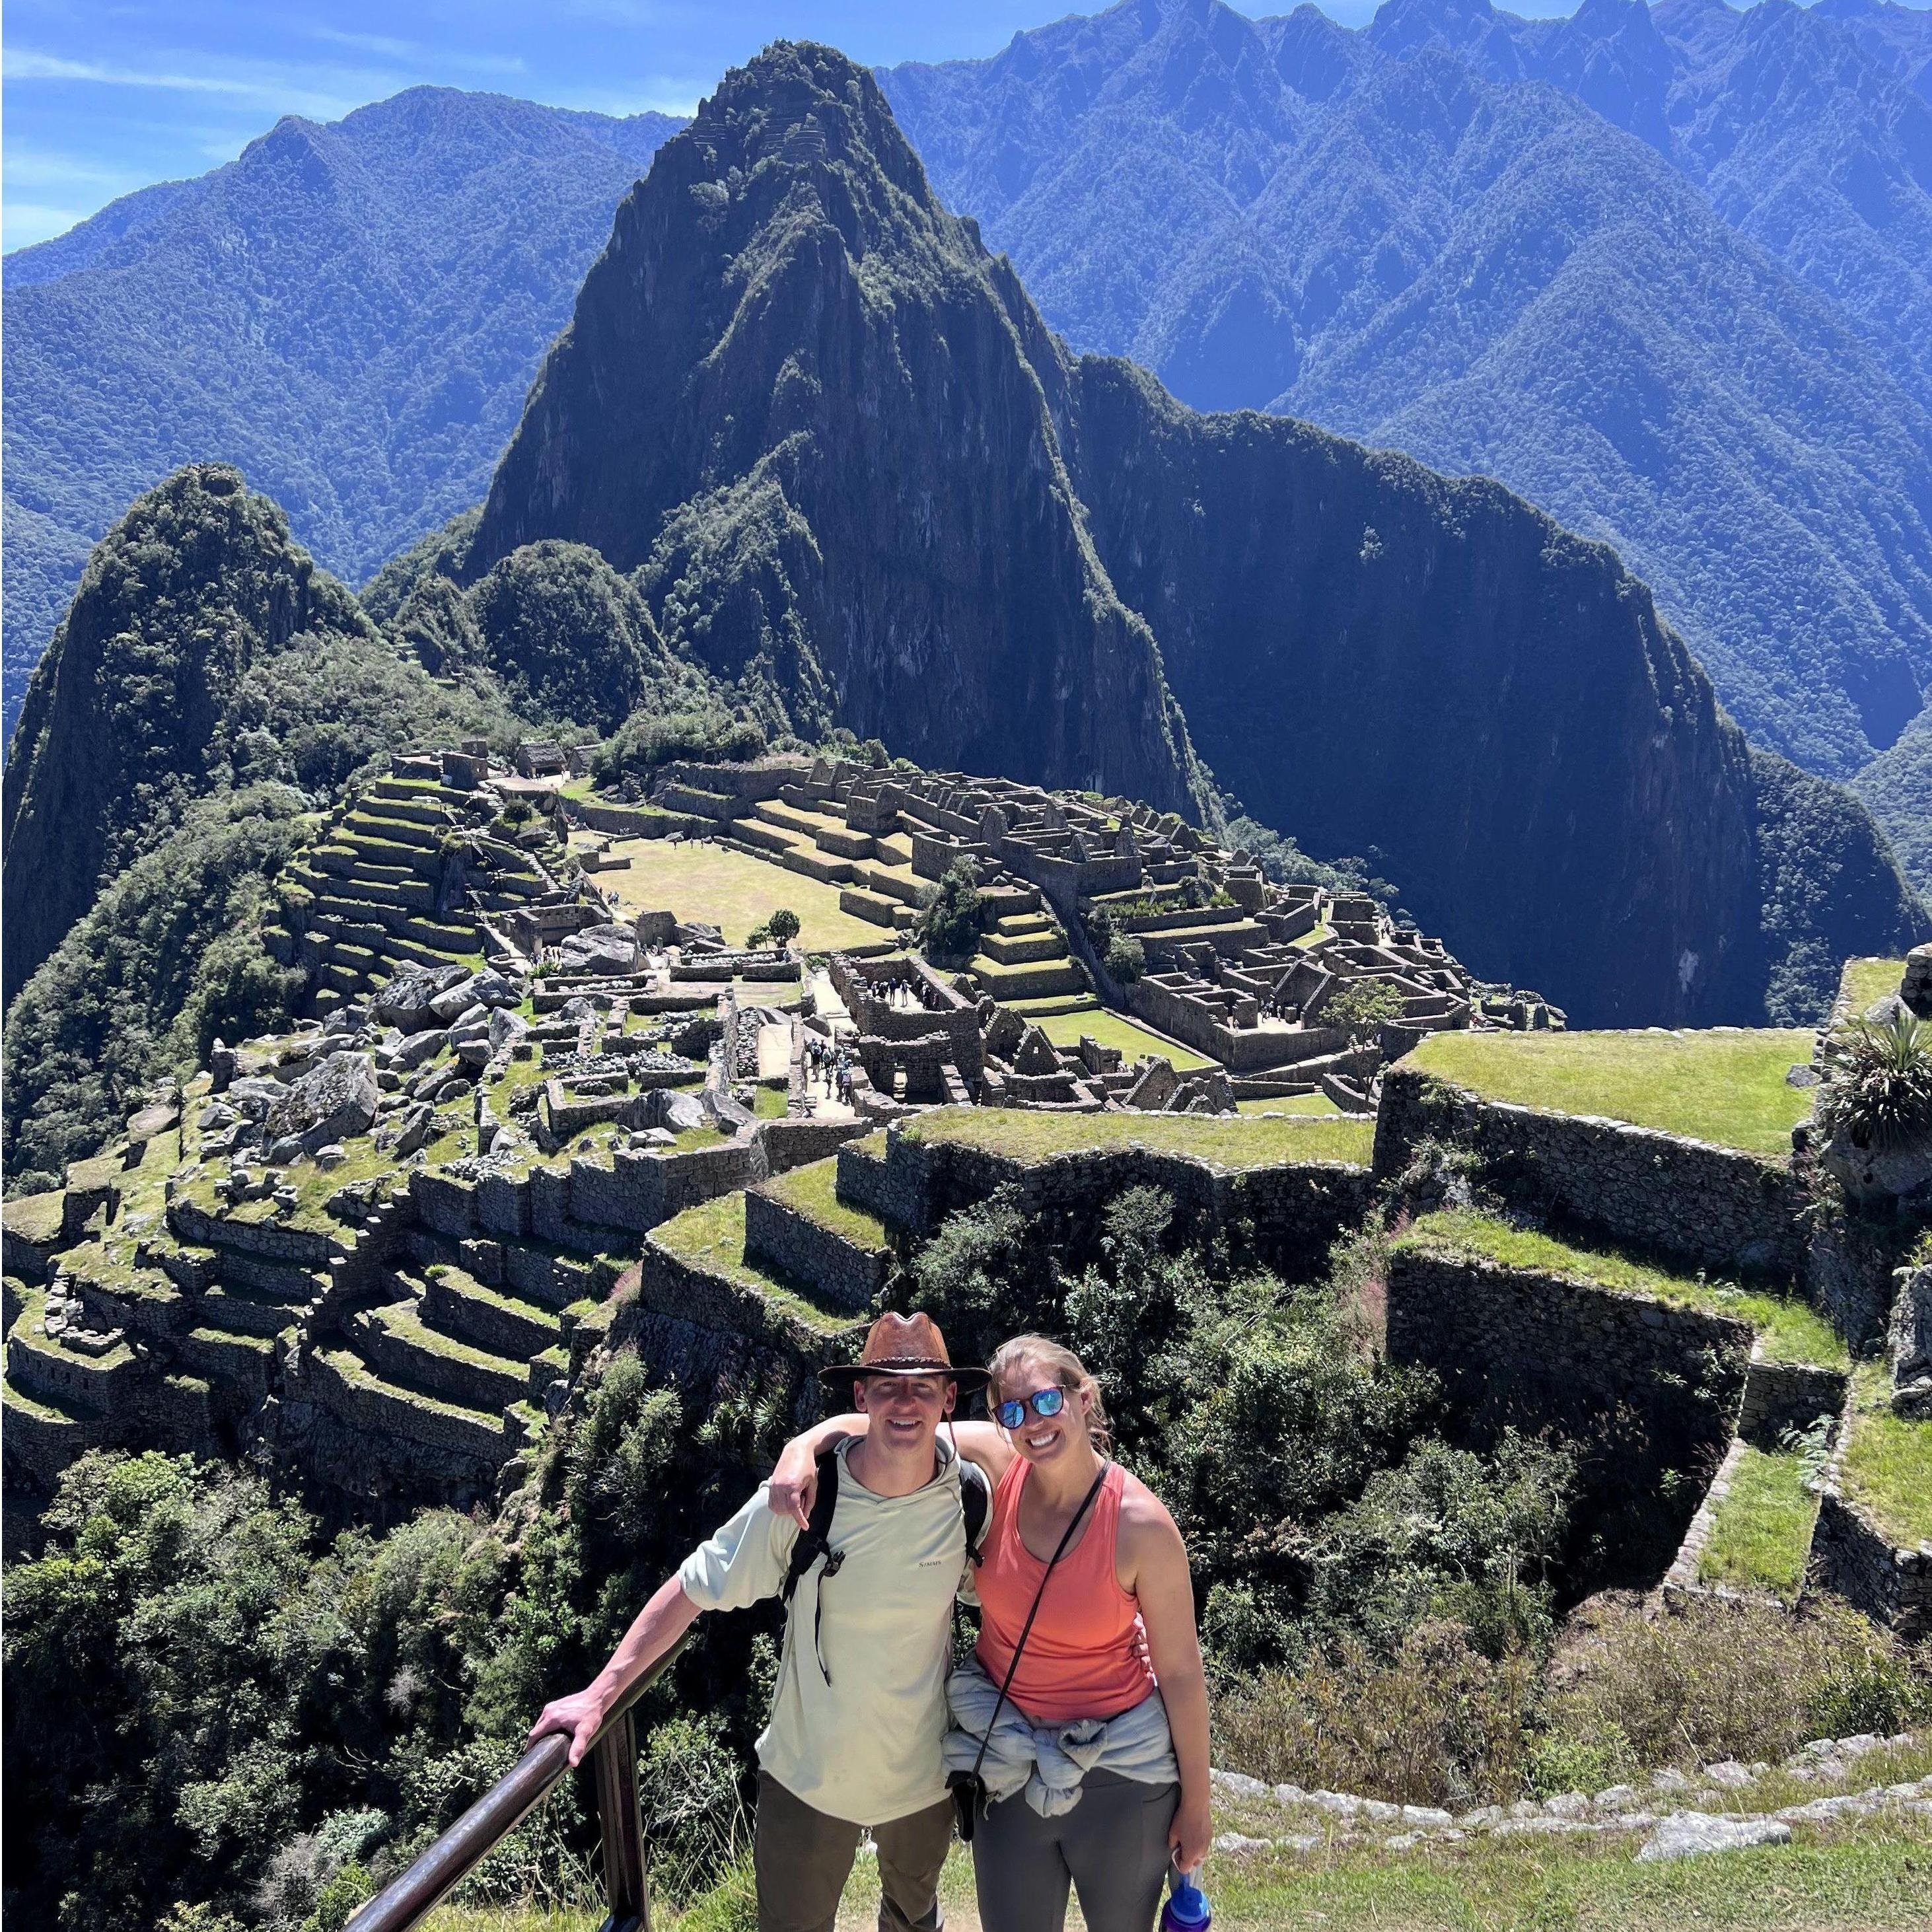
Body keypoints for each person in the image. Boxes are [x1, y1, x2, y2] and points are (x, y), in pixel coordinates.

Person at [528, 1312, 991, 1932]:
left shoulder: (968, 1497)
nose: (904, 1402)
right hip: (805, 1775)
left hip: (922, 1777)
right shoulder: (803, 1498)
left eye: (922, 1387)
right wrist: (600, 1694)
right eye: (885, 1384)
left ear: (948, 1398)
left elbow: (1049, 1484)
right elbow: (692, 1586)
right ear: (861, 1394)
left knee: (913, 1921)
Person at [771, 1334, 1211, 1932]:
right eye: (1012, 1410)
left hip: (1120, 1770)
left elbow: (1182, 1673)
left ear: (1084, 1399)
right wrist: (800, 1447)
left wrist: (1197, 1803)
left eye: (1047, 1400)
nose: (1032, 1422)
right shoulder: (1003, 1468)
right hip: (1008, 1758)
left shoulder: (1139, 1524)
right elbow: (886, 1415)